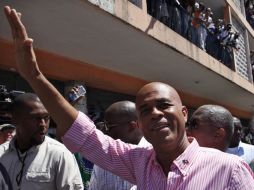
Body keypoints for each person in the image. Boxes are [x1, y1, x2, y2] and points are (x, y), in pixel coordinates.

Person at [3, 6, 254, 189]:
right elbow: (86, 135)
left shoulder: (229, 171)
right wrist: (34, 75)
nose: (155, 113)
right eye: (144, 110)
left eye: (164, 105)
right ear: (140, 125)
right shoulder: (139, 163)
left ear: (184, 114)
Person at [0, 93, 83, 189]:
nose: (43, 124)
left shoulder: (60, 154)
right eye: (35, 118)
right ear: (15, 119)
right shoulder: (1, 153)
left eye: (46, 118)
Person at [89, 101, 149, 190]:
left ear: (132, 126)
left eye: (109, 126)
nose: (105, 131)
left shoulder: (154, 156)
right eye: (104, 125)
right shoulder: (104, 155)